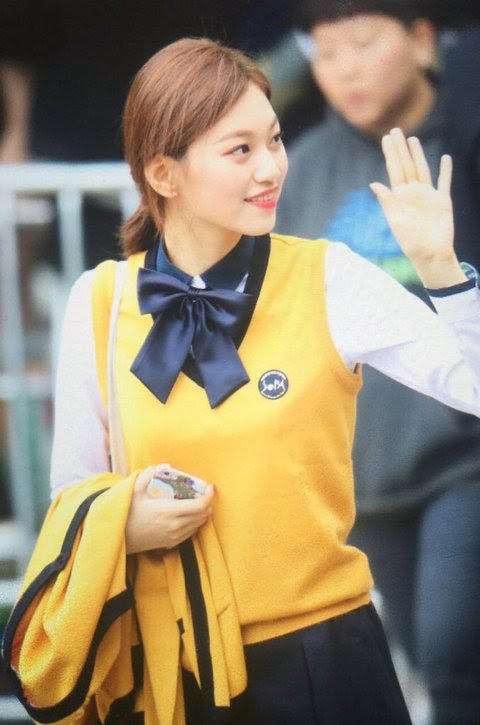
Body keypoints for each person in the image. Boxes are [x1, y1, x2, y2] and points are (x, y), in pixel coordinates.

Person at [2, 37, 479, 725]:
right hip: (170, 669)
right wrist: (124, 526)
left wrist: (442, 269)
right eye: (240, 150)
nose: (271, 167)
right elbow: (72, 492)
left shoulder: (328, 276)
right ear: (164, 174)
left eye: (275, 140)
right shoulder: (100, 300)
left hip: (324, 658)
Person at [275, 2, 480, 723]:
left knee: (453, 649)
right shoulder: (302, 167)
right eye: (325, 53)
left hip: (462, 458)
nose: (345, 70)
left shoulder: (467, 144)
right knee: (430, 657)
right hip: (363, 474)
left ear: (422, 41)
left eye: (363, 44)